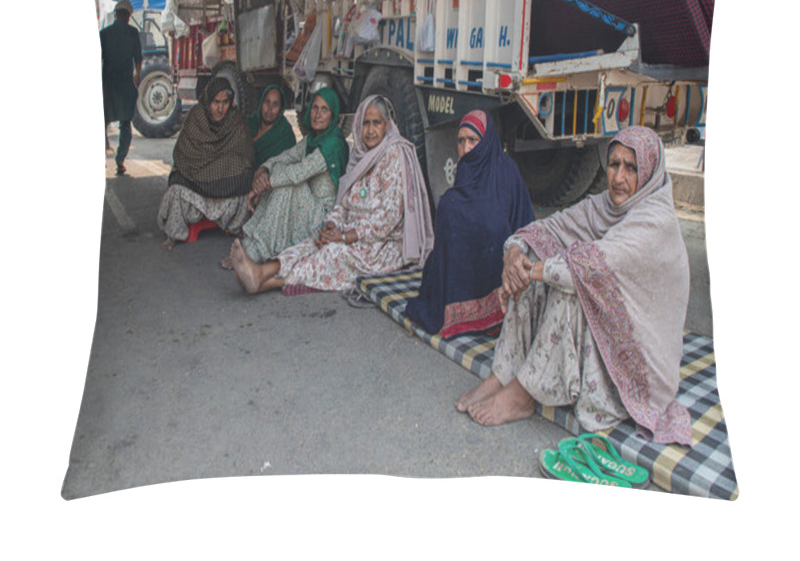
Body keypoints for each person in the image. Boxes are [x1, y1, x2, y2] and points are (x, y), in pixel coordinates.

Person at [456, 126, 693, 446]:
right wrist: (515, 253)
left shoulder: (654, 221)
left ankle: (523, 394)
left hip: (638, 358)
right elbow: (549, 228)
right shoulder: (605, 206)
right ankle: (504, 373)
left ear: (650, 172)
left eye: (632, 168)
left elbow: (590, 267)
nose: (619, 178)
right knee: (534, 266)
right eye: (614, 164)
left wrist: (530, 271)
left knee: (572, 283)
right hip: (605, 324)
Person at [229, 94, 434, 296]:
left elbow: (387, 219)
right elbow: (344, 202)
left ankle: (264, 283)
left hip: (382, 244)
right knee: (312, 243)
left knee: (331, 253)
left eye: (376, 123)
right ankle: (261, 271)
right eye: (365, 124)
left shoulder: (393, 154)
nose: (370, 131)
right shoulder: (361, 155)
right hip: (350, 231)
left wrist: (344, 237)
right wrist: (332, 224)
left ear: (387, 123)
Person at [405, 110, 534, 338]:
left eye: (473, 140)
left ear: (487, 141)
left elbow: (523, 224)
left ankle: (492, 307)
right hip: (468, 268)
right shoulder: (466, 171)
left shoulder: (506, 172)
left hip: (502, 272)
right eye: (461, 141)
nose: (465, 149)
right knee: (448, 208)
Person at [222, 87, 347, 268]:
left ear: (333, 115)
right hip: (305, 206)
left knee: (287, 183)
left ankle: (254, 252)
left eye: (324, 110)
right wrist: (264, 170)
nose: (318, 114)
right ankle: (251, 242)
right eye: (315, 108)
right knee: (280, 170)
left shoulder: (333, 143)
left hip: (322, 216)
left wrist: (263, 185)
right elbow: (285, 157)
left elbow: (299, 172)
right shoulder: (311, 140)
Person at [157, 77, 255, 251]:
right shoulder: (196, 117)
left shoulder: (236, 121)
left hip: (223, 184)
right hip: (195, 181)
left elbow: (245, 157)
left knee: (246, 180)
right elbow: (184, 154)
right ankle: (174, 234)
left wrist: (221, 166)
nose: (220, 108)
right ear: (208, 100)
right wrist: (214, 167)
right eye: (216, 102)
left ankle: (236, 229)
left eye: (225, 102)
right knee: (176, 190)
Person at [100, 0, 142, 175]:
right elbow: (138, 60)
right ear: (128, 16)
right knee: (125, 123)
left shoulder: (104, 33)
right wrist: (137, 76)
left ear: (116, 14)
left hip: (108, 83)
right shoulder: (133, 33)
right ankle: (120, 161)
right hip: (125, 84)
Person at [246, 84, 296, 167]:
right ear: (261, 103)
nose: (270, 108)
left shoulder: (285, 134)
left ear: (281, 109)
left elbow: (288, 163)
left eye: (275, 104)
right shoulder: (249, 124)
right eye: (267, 102)